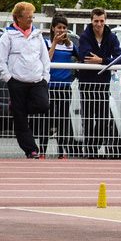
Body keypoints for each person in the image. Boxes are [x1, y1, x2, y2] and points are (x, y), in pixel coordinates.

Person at [0, 2, 51, 159]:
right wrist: (8, 78)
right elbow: (0, 59)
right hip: (17, 82)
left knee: (43, 105)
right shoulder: (7, 36)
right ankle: (30, 149)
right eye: (28, 18)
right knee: (20, 120)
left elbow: (45, 58)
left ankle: (18, 108)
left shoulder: (38, 35)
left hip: (37, 80)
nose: (31, 20)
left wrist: (45, 77)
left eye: (32, 17)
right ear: (17, 18)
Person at [76, 8, 121, 157]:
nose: (99, 24)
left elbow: (119, 58)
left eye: (102, 21)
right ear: (91, 20)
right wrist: (107, 60)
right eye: (96, 21)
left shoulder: (112, 37)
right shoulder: (85, 36)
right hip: (87, 84)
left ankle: (94, 145)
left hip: (103, 84)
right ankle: (90, 151)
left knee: (103, 119)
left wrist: (101, 60)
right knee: (88, 119)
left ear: (105, 21)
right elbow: (86, 56)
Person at [43, 15, 78, 159]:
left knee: (63, 119)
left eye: (64, 28)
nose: (61, 30)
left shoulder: (70, 46)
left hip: (64, 87)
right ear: (53, 28)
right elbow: (45, 59)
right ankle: (42, 150)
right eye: (59, 27)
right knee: (47, 118)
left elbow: (81, 57)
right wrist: (54, 44)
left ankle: (61, 150)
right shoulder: (46, 42)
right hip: (49, 86)